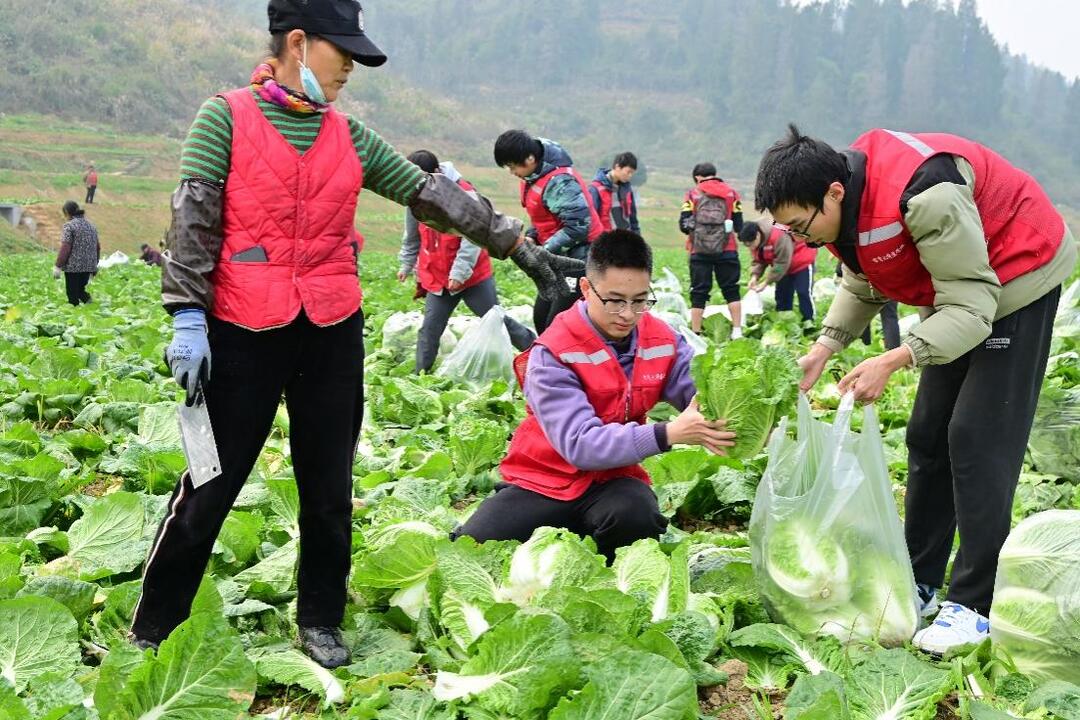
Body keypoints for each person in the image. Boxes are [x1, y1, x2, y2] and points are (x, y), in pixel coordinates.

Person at [131, 0, 578, 670]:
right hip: (241, 329)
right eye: (343, 55)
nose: (349, 71)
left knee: (328, 484)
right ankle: (155, 626)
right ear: (300, 43)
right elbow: (193, 221)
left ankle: (319, 619)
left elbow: (431, 194)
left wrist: (518, 245)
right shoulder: (224, 116)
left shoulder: (349, 135)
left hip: (330, 328)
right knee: (208, 482)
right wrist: (187, 315)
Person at [755, 124, 1077, 654]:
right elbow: (866, 276)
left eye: (800, 225)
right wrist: (824, 347)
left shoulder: (926, 193)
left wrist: (898, 357)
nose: (798, 239)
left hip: (1017, 276)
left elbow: (974, 309)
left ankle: (974, 604)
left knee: (977, 437)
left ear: (833, 192)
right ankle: (920, 578)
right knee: (928, 433)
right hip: (958, 291)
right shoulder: (847, 207)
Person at [453, 230, 736, 562]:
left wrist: (744, 404)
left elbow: (700, 392)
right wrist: (668, 433)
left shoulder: (662, 339)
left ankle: (608, 568)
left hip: (613, 479)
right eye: (615, 300)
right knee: (469, 550)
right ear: (586, 289)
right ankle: (574, 531)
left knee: (637, 515)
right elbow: (579, 445)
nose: (628, 314)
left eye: (640, 300)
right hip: (545, 479)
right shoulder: (553, 351)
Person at [398, 149, 535, 373]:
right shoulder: (415, 193)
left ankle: (536, 350)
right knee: (430, 329)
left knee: (496, 320)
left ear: (434, 173)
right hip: (438, 278)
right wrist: (406, 263)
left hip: (473, 278)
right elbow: (412, 235)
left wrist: (459, 272)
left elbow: (472, 237)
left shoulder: (462, 192)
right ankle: (419, 375)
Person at [494, 129, 602, 333]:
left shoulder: (560, 182)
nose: (511, 172)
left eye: (512, 166)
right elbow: (547, 218)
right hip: (557, 258)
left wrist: (545, 249)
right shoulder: (535, 176)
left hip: (580, 260)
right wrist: (533, 237)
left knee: (556, 324)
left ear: (530, 158)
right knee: (541, 317)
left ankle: (571, 362)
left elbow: (578, 227)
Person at [679, 163, 744, 336]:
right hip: (727, 248)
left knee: (699, 291)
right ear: (715, 174)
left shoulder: (692, 194)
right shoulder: (732, 193)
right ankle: (737, 331)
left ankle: (695, 333)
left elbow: (683, 225)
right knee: (731, 289)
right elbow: (739, 225)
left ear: (698, 177)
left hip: (698, 250)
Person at [739, 219, 817, 322]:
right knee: (782, 295)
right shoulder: (754, 241)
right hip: (782, 267)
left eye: (751, 243)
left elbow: (782, 263)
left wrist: (766, 282)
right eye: (747, 245)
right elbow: (759, 260)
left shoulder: (778, 235)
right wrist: (754, 277)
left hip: (801, 262)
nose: (751, 247)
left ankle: (809, 321)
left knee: (803, 292)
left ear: (757, 235)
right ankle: (784, 322)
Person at [835, 262, 900, 349]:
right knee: (889, 316)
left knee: (863, 311)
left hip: (865, 277)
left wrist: (839, 269)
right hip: (889, 277)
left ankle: (865, 345)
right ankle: (893, 350)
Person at [53, 200, 99, 305]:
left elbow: (66, 247)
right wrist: (94, 266)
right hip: (88, 265)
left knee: (72, 294)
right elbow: (97, 247)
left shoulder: (69, 226)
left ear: (67, 212)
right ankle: (90, 306)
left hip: (74, 266)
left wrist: (58, 266)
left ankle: (74, 316)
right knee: (80, 291)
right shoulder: (91, 226)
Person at [589, 152, 640, 233]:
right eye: (628, 172)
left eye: (632, 173)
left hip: (626, 239)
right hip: (607, 240)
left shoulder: (627, 189)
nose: (630, 176)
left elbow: (633, 219)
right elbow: (592, 221)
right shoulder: (596, 189)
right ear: (617, 167)